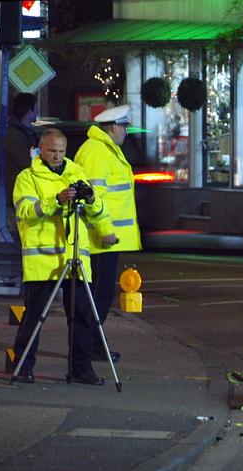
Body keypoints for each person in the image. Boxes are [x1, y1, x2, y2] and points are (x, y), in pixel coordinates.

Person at [11, 129, 114, 385]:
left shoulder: (76, 173)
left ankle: (80, 369)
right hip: (43, 259)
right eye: (51, 150)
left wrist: (91, 200)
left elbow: (98, 210)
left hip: (75, 256)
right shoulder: (27, 177)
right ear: (40, 149)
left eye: (61, 151)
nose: (56, 156)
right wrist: (55, 200)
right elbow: (25, 210)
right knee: (34, 315)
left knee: (81, 315)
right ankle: (22, 365)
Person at [74, 104, 141, 363]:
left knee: (101, 295)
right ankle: (90, 344)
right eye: (124, 126)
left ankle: (94, 342)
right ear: (113, 127)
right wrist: (103, 230)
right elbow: (93, 197)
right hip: (100, 239)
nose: (126, 131)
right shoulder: (97, 153)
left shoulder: (104, 150)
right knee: (98, 296)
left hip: (106, 237)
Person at [3, 92, 39, 240]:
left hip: (26, 193)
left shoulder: (25, 133)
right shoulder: (15, 136)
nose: (37, 111)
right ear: (29, 110)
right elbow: (27, 164)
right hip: (19, 194)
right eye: (35, 107)